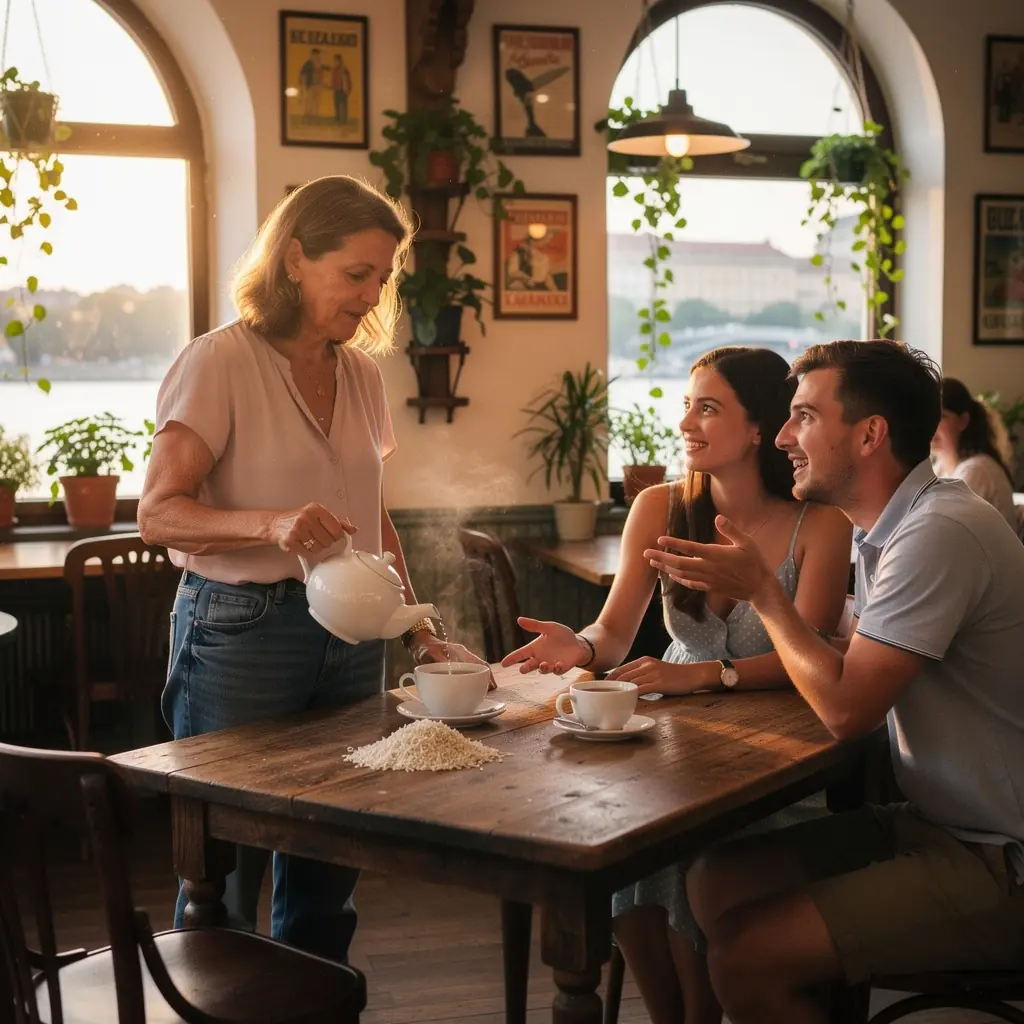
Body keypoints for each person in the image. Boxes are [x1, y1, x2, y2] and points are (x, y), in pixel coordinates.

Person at [137, 175, 488, 963]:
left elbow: (373, 516)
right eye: (355, 273)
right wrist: (271, 523)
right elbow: (158, 512)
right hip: (240, 636)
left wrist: (423, 631)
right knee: (225, 875)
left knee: (330, 865)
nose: (371, 295)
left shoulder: (361, 374)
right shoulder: (218, 362)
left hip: (353, 634)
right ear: (295, 259)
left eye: (382, 278)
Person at [645, 340, 1024, 1024]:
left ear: (871, 434)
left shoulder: (940, 531)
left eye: (804, 417)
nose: (783, 436)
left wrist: (764, 591)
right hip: (935, 824)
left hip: (1001, 859)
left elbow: (847, 709)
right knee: (715, 878)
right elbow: (848, 656)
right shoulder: (884, 530)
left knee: (742, 956)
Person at [502, 347, 852, 1024]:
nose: (687, 420)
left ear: (760, 428)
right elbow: (612, 632)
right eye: (687, 403)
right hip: (671, 734)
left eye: (709, 407)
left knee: (696, 851)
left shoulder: (821, 522)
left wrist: (701, 676)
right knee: (635, 849)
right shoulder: (658, 506)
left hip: (779, 756)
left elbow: (802, 657)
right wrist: (577, 646)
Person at [931, 376, 1017, 531]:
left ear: (963, 421)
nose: (931, 424)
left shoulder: (977, 470)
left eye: (942, 416)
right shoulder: (939, 467)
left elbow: (945, 530)